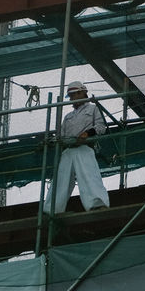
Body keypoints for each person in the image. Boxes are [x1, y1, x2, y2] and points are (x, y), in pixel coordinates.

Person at [48, 81, 110, 213]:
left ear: (82, 93)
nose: (71, 99)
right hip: (68, 150)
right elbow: (61, 135)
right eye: (70, 96)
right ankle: (52, 209)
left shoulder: (93, 109)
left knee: (89, 175)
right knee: (60, 179)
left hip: (85, 147)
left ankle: (97, 204)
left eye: (73, 95)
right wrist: (56, 140)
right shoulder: (68, 116)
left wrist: (87, 134)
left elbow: (101, 127)